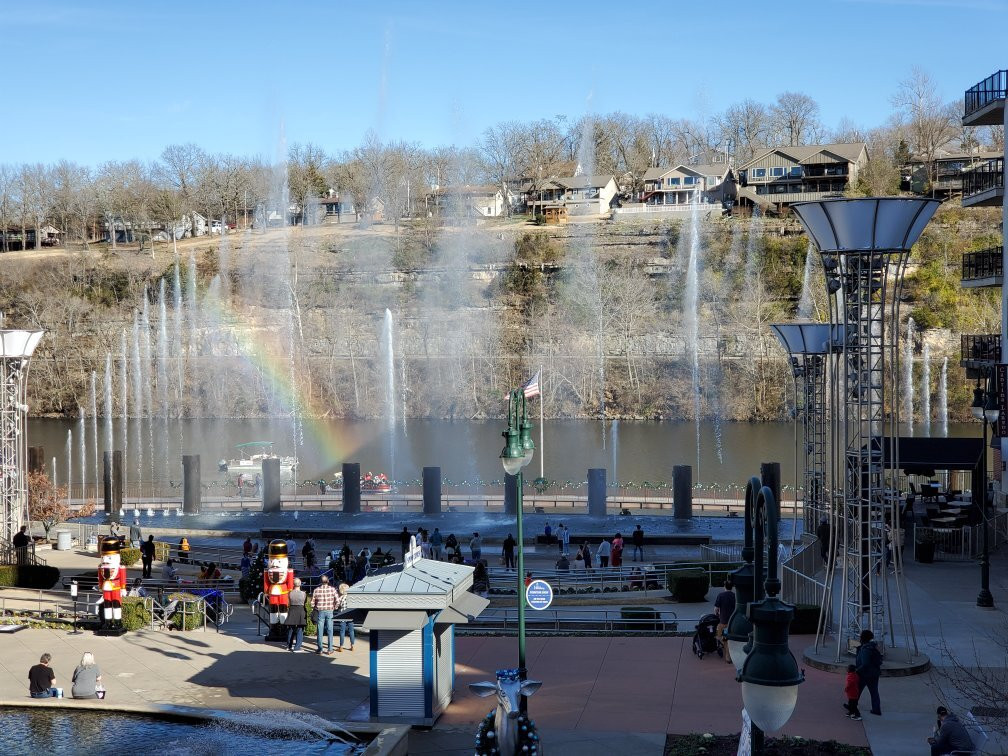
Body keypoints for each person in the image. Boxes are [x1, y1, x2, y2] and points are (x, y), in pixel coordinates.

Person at [855, 629, 883, 716]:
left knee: (857, 690)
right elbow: (880, 661)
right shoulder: (873, 647)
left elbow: (865, 664)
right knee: (874, 692)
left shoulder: (865, 649)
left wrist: (857, 670)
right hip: (874, 673)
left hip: (865, 674)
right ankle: (876, 709)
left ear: (862, 638)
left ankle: (852, 705)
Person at [312, 575, 337, 655]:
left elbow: (312, 603)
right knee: (330, 630)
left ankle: (320, 649)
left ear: (321, 582)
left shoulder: (316, 590)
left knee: (320, 630)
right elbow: (337, 600)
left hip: (320, 611)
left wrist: (315, 607)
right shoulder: (332, 589)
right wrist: (335, 607)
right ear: (328, 581)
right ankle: (330, 649)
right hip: (330, 611)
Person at [713, 578, 736, 665]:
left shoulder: (721, 595)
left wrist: (717, 613)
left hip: (723, 622)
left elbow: (715, 609)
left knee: (719, 636)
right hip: (733, 621)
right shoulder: (734, 596)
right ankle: (726, 645)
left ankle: (728, 656)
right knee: (727, 637)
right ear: (732, 587)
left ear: (724, 586)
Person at [284, 577, 307, 651]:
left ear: (293, 584)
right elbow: (304, 603)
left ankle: (289, 645)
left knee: (291, 629)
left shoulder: (290, 593)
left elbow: (289, 603)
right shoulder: (303, 594)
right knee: (300, 629)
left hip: (292, 610)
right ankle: (297, 647)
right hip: (300, 610)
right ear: (300, 584)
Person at [336, 582, 355, 651]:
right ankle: (352, 645)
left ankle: (341, 646)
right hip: (350, 616)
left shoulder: (340, 598)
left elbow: (337, 606)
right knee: (351, 631)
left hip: (342, 616)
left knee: (342, 631)